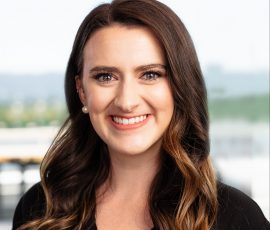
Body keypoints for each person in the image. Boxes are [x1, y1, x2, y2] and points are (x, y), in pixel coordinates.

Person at [12, 0, 270, 229]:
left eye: (150, 74)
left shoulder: (236, 217)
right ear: (82, 91)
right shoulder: (39, 209)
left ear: (179, 86)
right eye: (105, 76)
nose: (127, 101)